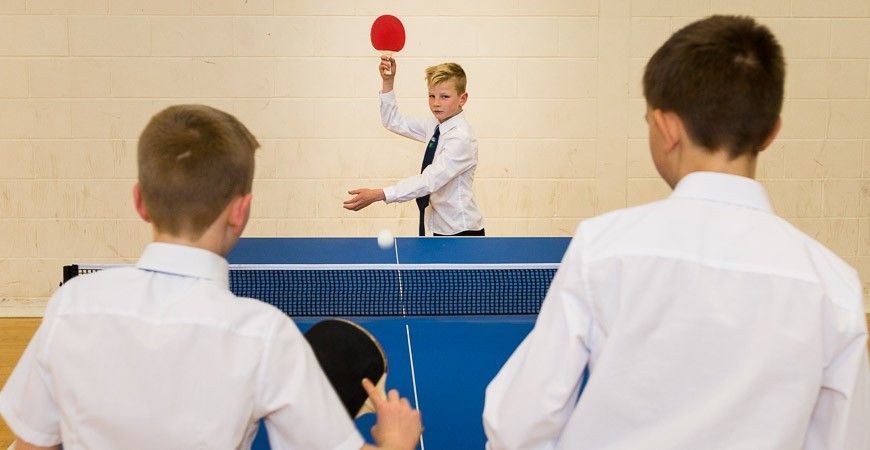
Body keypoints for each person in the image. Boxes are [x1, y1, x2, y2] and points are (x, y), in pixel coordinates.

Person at [483, 15, 869, 450]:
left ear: (667, 128)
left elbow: (518, 425)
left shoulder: (603, 249)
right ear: (771, 132)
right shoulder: (835, 288)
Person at [0, 105, 422, 450]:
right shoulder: (265, 335)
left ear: (139, 202)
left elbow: (34, 443)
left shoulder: (72, 306)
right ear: (241, 211)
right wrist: (397, 443)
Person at [343, 57, 485, 237]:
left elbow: (428, 181)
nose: (436, 103)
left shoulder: (462, 139)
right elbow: (393, 121)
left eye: (445, 97)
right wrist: (388, 82)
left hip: (463, 232)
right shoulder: (435, 126)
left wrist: (379, 194)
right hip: (440, 228)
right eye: (432, 96)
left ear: (462, 99)